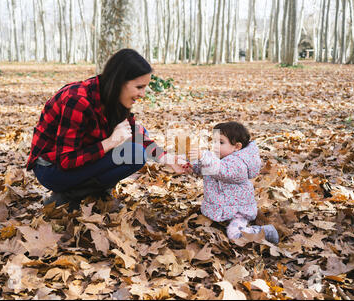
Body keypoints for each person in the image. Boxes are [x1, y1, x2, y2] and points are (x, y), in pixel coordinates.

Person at [26, 49, 186, 212]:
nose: (143, 94)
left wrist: (166, 158)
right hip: (51, 169)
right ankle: (66, 198)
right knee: (133, 151)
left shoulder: (115, 98)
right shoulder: (77, 100)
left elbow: (136, 134)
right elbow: (66, 160)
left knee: (138, 141)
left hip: (79, 160)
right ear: (119, 81)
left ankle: (92, 194)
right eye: (139, 87)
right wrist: (110, 142)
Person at [185, 121, 279, 244]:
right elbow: (208, 169)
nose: (215, 146)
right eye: (214, 141)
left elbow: (222, 171)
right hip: (223, 208)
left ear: (237, 147)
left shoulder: (239, 164)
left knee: (234, 234)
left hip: (237, 211)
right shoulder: (218, 159)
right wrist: (192, 166)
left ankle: (266, 232)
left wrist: (204, 156)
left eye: (221, 142)